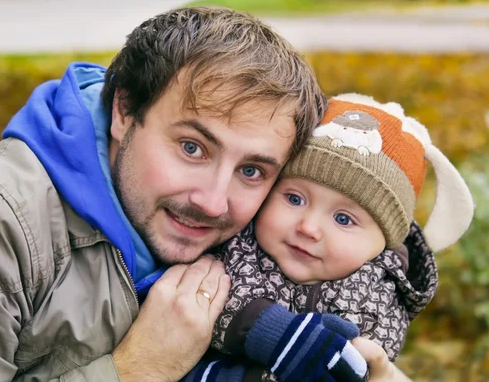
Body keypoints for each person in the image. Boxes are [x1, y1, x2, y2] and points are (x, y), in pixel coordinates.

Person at [0, 6, 336, 381]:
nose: (214, 203)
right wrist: (137, 369)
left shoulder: (274, 235)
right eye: (192, 148)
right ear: (124, 110)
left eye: (252, 170)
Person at [182, 94, 474, 382]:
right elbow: (206, 304)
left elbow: (361, 357)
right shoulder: (236, 244)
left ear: (384, 244)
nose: (308, 227)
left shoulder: (381, 292)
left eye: (343, 219)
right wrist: (273, 331)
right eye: (294, 199)